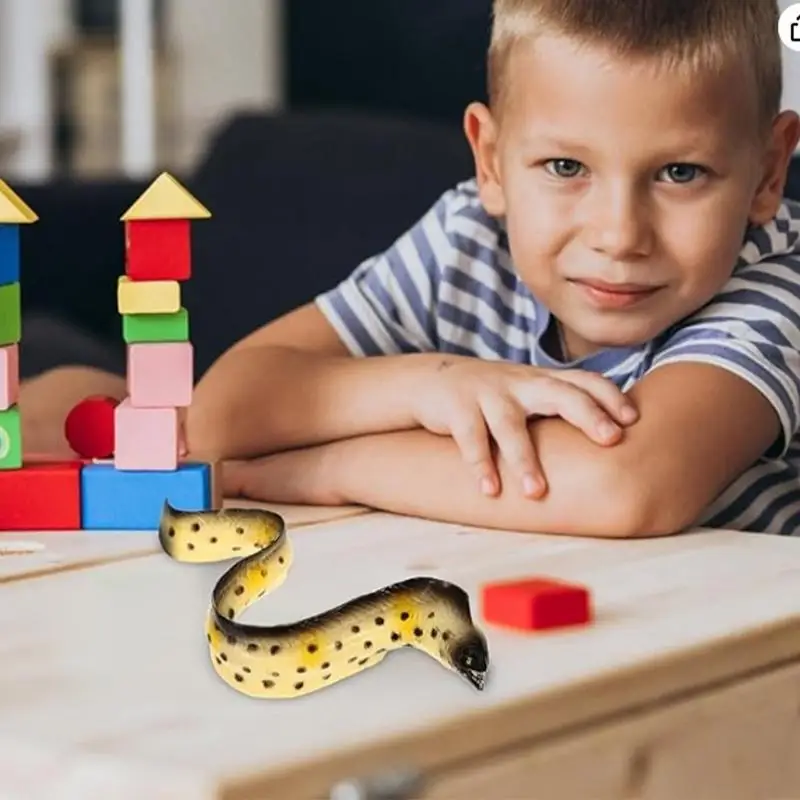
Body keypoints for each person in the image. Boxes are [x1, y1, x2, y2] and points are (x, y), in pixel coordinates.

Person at [22, 0, 800, 538]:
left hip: (715, 681)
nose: (620, 233)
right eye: (566, 166)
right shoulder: (468, 236)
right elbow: (225, 411)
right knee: (69, 401)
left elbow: (624, 489)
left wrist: (327, 469)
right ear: (491, 160)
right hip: (499, 619)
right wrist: (428, 384)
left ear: (767, 173)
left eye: (680, 175)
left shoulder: (772, 285)